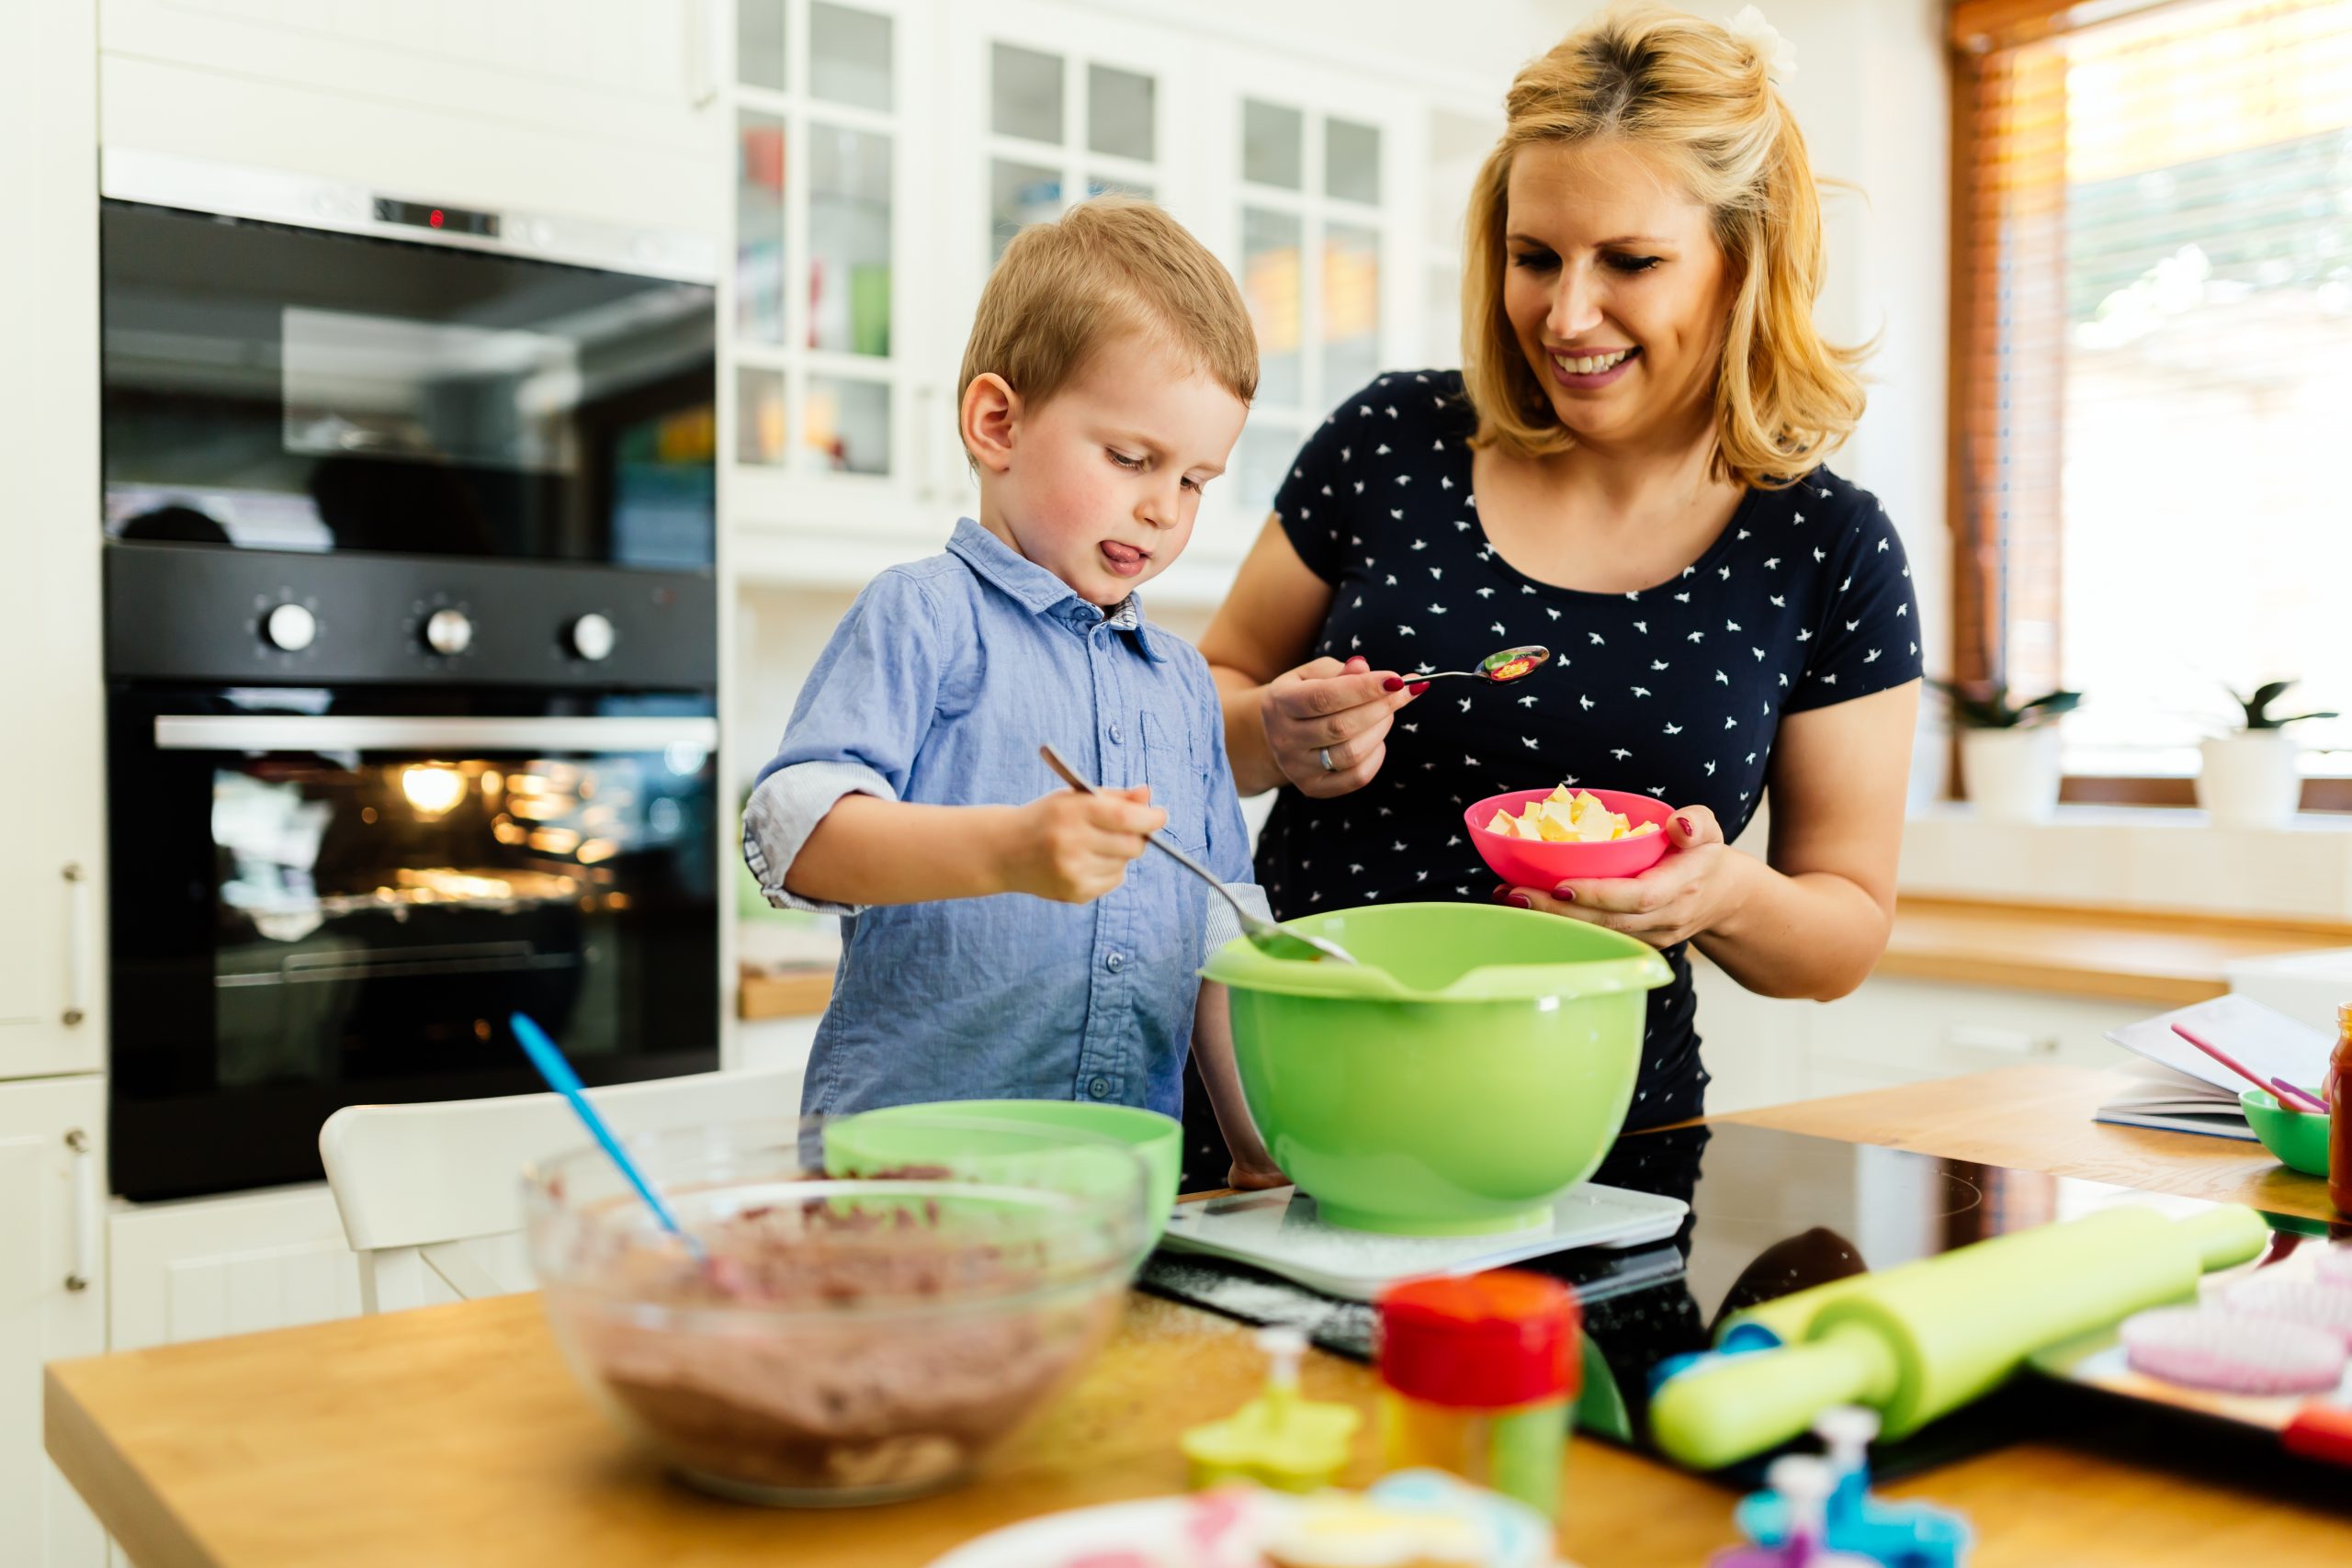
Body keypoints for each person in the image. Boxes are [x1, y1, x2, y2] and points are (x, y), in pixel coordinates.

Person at [1193, 4, 1923, 1160]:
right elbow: (1196, 698)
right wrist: (1267, 735)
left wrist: (1720, 896)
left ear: (1745, 263)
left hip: (1599, 1142)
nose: (1565, 314)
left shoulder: (1826, 547)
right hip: (1278, 1111)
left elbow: (1841, 932)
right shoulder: (1390, 438)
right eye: (1535, 257)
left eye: (1629, 262)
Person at [743, 197, 1281, 1185]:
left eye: (1196, 480)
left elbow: (1221, 932)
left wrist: (1259, 1152)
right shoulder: (924, 616)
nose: (1163, 509)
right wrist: (1011, 848)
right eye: (1130, 458)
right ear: (997, 423)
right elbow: (792, 833)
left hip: (1112, 1193)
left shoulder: (1182, 686)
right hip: (906, 1191)